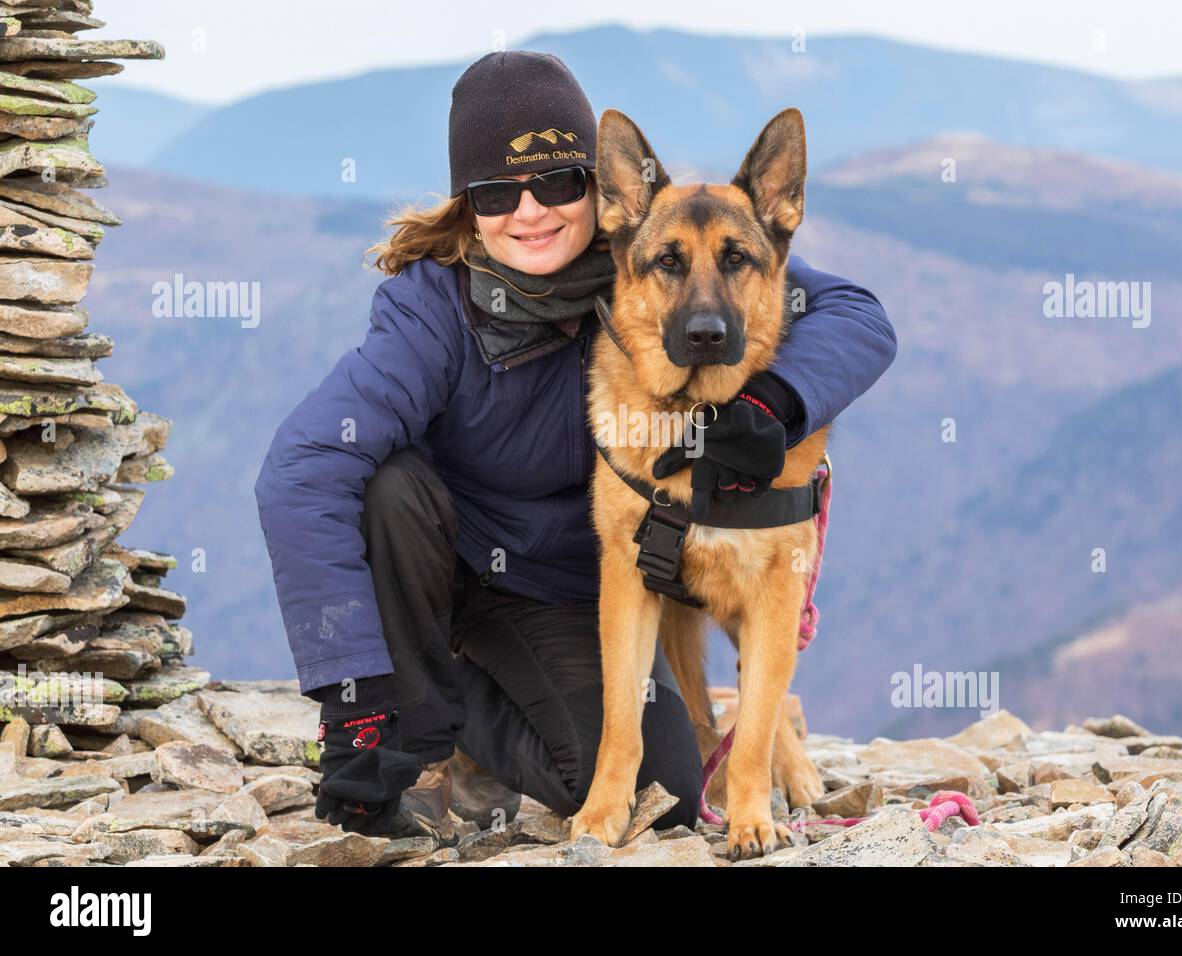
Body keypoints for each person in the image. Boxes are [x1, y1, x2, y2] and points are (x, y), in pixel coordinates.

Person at [253, 49, 897, 839]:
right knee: (388, 484)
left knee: (663, 795)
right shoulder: (432, 312)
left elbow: (857, 316)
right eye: (497, 191)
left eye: (557, 183)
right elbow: (301, 469)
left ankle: (472, 722)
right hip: (452, 577)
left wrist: (774, 404)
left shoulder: (646, 251)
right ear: (471, 205)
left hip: (567, 591)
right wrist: (353, 686)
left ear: (601, 192)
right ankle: (416, 712)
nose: (530, 212)